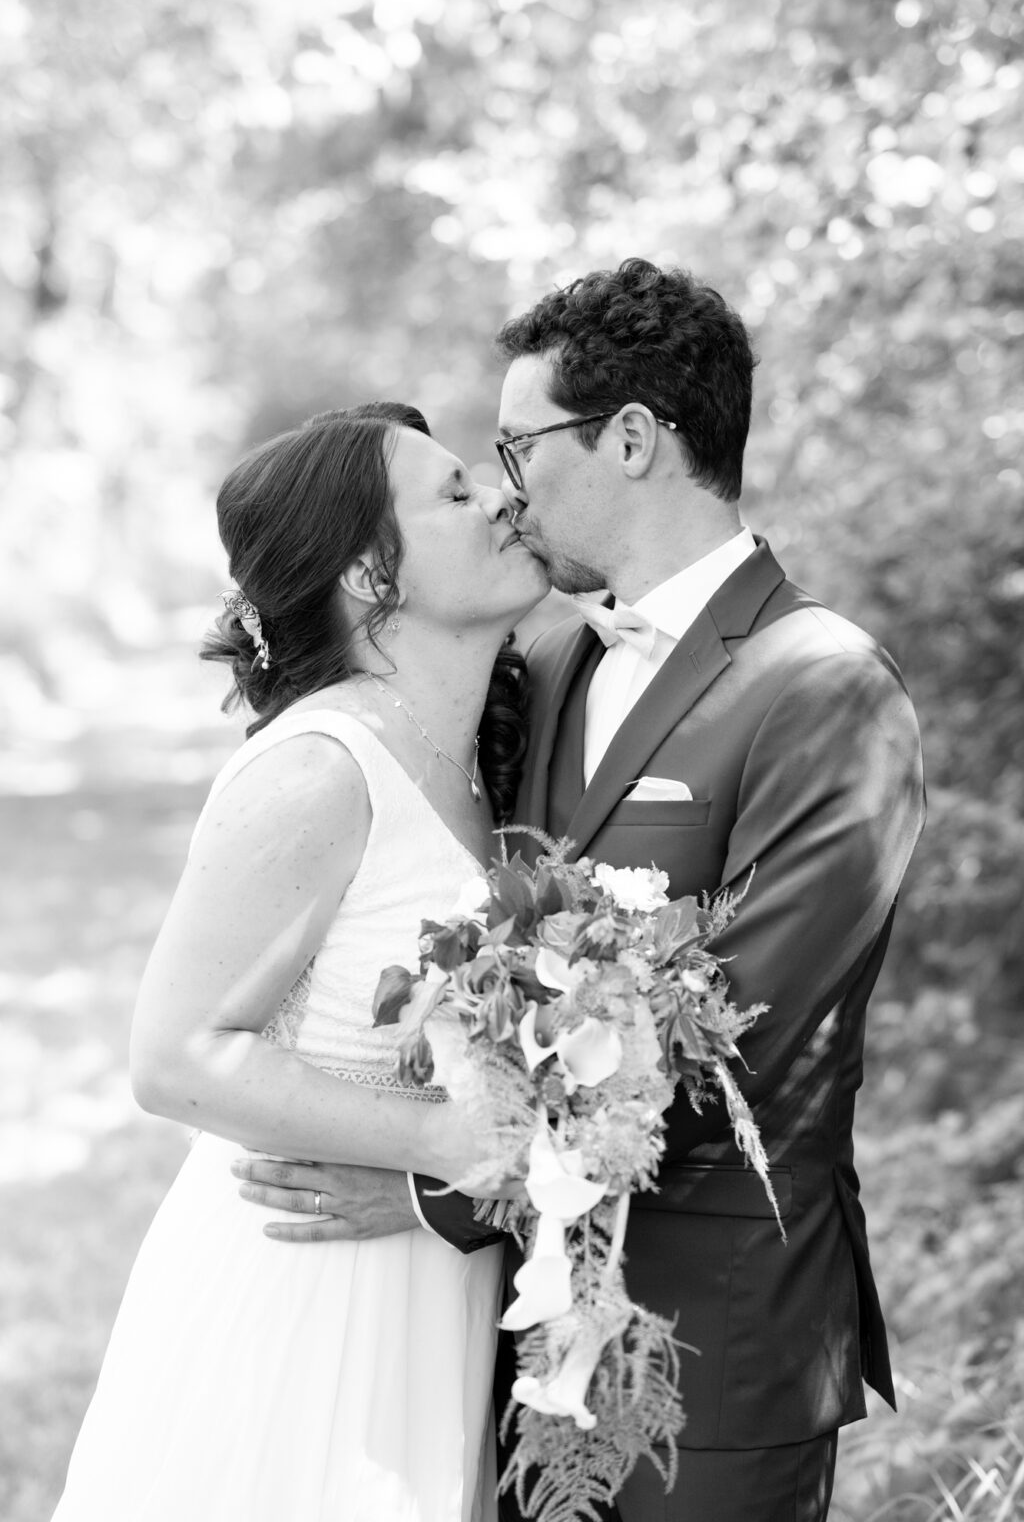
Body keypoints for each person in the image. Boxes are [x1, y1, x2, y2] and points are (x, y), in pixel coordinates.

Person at [240, 261, 926, 1522]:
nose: (506, 489)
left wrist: (426, 1191)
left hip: (717, 1344)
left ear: (628, 439)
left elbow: (748, 1050)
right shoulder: (546, 659)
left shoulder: (824, 688)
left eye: (518, 446)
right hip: (508, 1341)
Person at [51, 403, 550, 1522]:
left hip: (430, 1284)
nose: (501, 498)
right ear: (374, 574)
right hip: (302, 1288)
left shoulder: (480, 755)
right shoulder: (319, 771)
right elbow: (174, 1060)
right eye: (457, 495)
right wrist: (441, 1141)